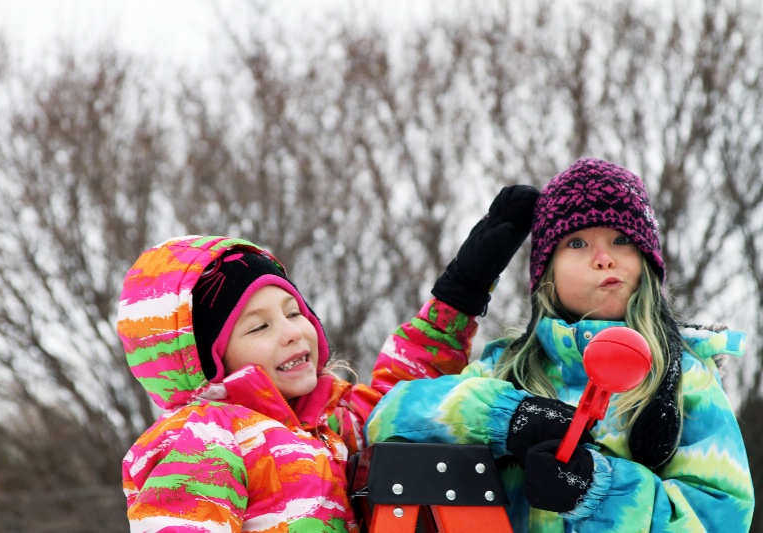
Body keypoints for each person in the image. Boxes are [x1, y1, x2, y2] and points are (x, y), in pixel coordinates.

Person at [364, 159, 754, 532]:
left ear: (646, 262)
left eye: (620, 239)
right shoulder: (506, 369)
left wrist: (598, 493)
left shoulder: (686, 376)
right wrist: (503, 418)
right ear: (546, 273)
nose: (603, 258)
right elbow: (386, 420)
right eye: (578, 243)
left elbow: (722, 516)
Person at [116, 235, 471, 532]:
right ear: (205, 362)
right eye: (259, 326)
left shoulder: (329, 422)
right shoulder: (202, 438)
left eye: (293, 312)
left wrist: (457, 298)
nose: (292, 333)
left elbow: (396, 406)